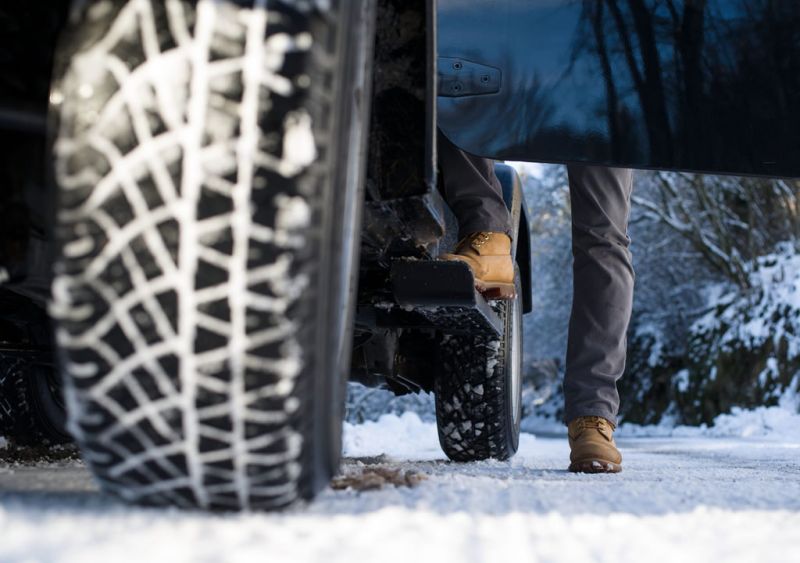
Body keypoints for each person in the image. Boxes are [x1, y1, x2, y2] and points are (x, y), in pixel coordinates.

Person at [438, 131, 634, 473]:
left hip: (597, 88)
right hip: (515, 80)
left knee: (604, 236)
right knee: (450, 88)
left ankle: (593, 417)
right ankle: (487, 235)